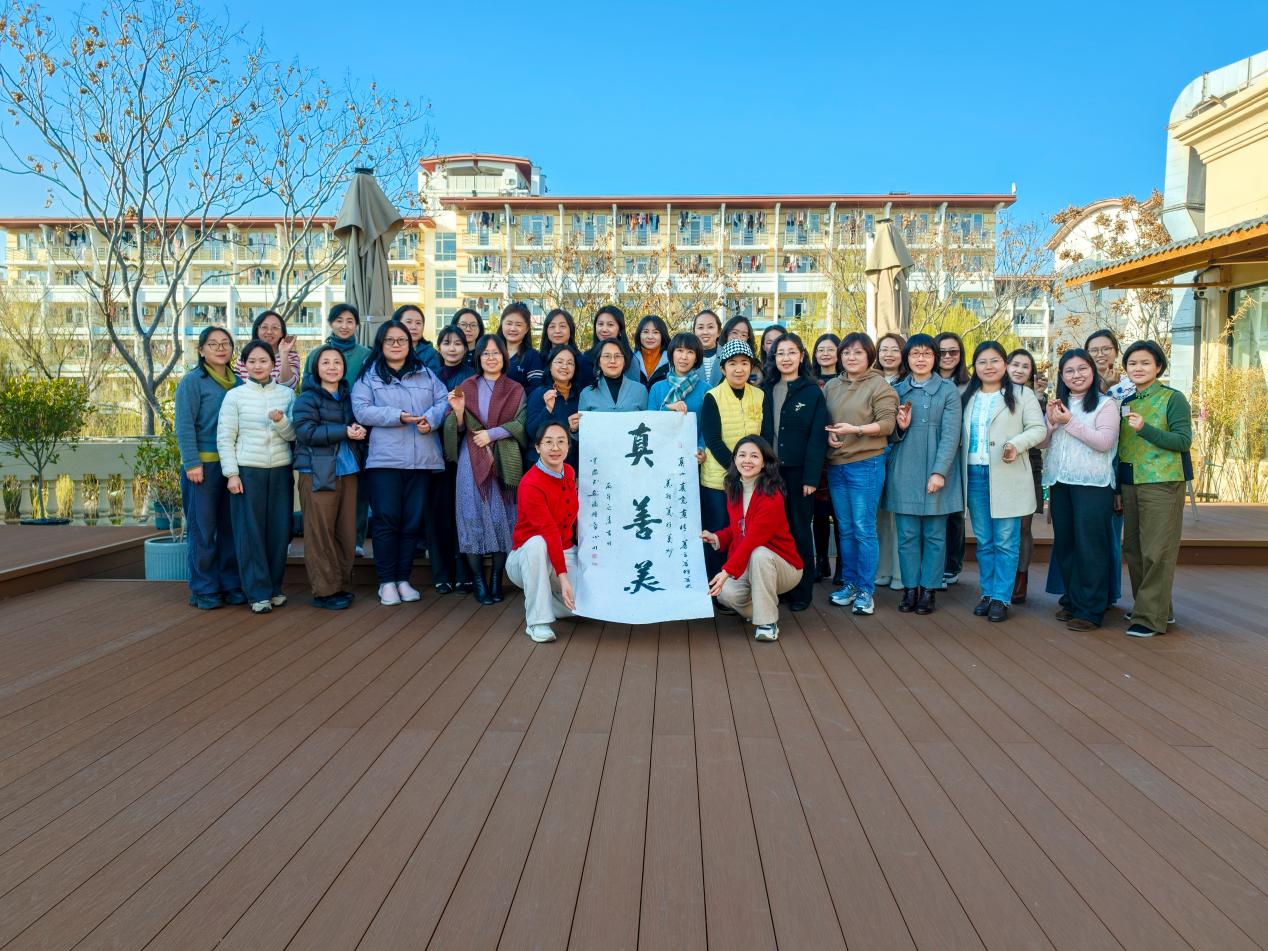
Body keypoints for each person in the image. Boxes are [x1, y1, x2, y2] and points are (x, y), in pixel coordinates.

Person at [351, 320, 451, 605]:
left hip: (422, 460)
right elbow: (361, 410)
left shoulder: (425, 373)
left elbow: (444, 401)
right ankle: (386, 581)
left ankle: (403, 579)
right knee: (386, 521)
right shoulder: (369, 376)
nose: (396, 345)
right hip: (385, 461)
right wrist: (397, 416)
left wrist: (431, 420)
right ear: (381, 344)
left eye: (402, 340)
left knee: (411, 523)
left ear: (410, 344)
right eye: (390, 340)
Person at [960, 341, 1047, 622]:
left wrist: (1016, 444)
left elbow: (1039, 429)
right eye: (982, 362)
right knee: (984, 540)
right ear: (975, 366)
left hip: (1007, 474)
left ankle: (1001, 597)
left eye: (995, 360)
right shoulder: (967, 395)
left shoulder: (1022, 394)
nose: (989, 366)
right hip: (974, 473)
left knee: (1006, 540)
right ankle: (987, 593)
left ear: (1005, 364)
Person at [443, 334, 528, 606]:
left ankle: (496, 580)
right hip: (471, 458)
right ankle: (479, 581)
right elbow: (455, 428)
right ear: (478, 358)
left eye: (496, 353)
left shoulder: (515, 388)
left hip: (504, 459)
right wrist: (458, 412)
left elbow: (521, 423)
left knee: (503, 519)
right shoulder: (466, 386)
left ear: (504, 356)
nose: (491, 358)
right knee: (472, 517)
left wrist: (492, 434)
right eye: (486, 353)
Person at [883, 334, 962, 615]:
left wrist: (939, 472)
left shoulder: (948, 391)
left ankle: (929, 589)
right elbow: (888, 434)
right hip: (905, 468)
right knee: (906, 534)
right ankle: (909, 588)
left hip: (937, 470)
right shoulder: (897, 391)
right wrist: (900, 427)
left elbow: (951, 435)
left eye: (927, 354)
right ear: (907, 358)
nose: (920, 359)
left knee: (934, 535)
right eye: (915, 353)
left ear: (935, 358)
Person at [1041, 348, 1119, 631]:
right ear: (1062, 376)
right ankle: (1073, 601)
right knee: (1067, 544)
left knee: (1091, 546)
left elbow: (1104, 443)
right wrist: (1050, 424)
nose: (1076, 375)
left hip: (1093, 485)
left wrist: (1069, 422)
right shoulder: (1058, 405)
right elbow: (1042, 443)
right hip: (1060, 482)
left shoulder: (1106, 405)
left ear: (1092, 371)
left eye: (1082, 368)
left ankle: (1091, 609)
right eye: (1069, 371)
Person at [1117, 340, 1191, 637]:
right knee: (1134, 549)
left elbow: (1183, 441)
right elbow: (1121, 447)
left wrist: (1145, 429)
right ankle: (1155, 608)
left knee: (1157, 550)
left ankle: (1149, 618)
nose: (1138, 368)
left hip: (1163, 481)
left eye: (1145, 363)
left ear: (1159, 366)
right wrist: (1118, 489)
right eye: (1133, 363)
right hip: (1130, 482)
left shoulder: (1172, 398)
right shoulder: (1125, 400)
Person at [217, 339, 296, 614]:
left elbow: (293, 436)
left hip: (280, 469)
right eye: (252, 361)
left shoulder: (287, 395)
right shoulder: (235, 396)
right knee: (250, 533)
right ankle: (258, 593)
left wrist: (280, 421)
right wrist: (231, 474)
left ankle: (274, 588)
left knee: (279, 531)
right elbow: (225, 438)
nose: (258, 366)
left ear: (273, 364)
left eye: (263, 361)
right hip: (247, 471)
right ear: (244, 365)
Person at [823, 332, 898, 616]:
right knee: (845, 528)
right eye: (846, 352)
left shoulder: (879, 385)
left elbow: (887, 424)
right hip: (837, 465)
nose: (851, 357)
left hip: (866, 464)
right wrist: (829, 435)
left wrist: (855, 430)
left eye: (858, 352)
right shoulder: (832, 385)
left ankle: (866, 591)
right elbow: (825, 421)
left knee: (864, 528)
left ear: (869, 356)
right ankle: (850, 584)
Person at [701, 435, 804, 641]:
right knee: (726, 594)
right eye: (742, 455)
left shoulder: (771, 494)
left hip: (784, 567)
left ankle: (767, 623)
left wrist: (726, 571)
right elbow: (737, 529)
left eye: (754, 456)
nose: (747, 460)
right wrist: (717, 538)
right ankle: (762, 609)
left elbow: (753, 539)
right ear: (735, 459)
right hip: (750, 563)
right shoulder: (735, 488)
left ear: (764, 462)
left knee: (759, 553)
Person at [292, 345, 367, 609]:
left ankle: (340, 585)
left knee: (346, 531)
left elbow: (356, 425)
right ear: (316, 367)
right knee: (320, 533)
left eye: (337, 362)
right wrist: (345, 431)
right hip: (317, 471)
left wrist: (358, 430)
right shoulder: (307, 398)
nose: (332, 367)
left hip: (348, 470)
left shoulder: (349, 397)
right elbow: (305, 432)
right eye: (326, 362)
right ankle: (325, 591)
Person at [175, 326, 243, 610]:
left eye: (225, 343)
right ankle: (204, 588)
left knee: (230, 528)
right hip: (202, 467)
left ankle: (230, 584)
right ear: (201, 350)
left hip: (233, 467)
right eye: (213, 344)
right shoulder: (193, 382)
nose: (220, 348)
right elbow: (184, 425)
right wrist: (192, 462)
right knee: (203, 529)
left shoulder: (239, 382)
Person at [760, 333, 827, 611]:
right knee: (774, 530)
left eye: (791, 352)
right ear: (773, 358)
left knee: (799, 530)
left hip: (799, 474)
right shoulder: (765, 389)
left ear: (801, 356)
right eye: (780, 353)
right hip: (770, 472)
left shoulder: (812, 392)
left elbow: (817, 438)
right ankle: (781, 586)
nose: (785, 358)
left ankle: (802, 591)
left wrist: (811, 477)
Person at [507, 421, 579, 643]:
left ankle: (551, 604)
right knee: (538, 542)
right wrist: (563, 578)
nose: (555, 448)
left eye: (561, 441)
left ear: (568, 447)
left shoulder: (568, 472)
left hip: (563, 550)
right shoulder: (530, 483)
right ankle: (537, 622)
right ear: (538, 447)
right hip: (527, 556)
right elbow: (549, 532)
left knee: (589, 600)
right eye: (548, 442)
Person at [699, 340, 764, 581]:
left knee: (744, 533)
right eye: (733, 364)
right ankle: (716, 589)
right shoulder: (712, 396)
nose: (739, 369)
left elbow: (764, 436)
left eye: (744, 363)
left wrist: (751, 470)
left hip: (751, 480)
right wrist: (737, 469)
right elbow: (713, 439)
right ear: (723, 368)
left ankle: (740, 586)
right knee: (718, 534)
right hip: (718, 481)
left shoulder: (759, 395)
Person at [433, 325, 477, 592]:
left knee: (464, 512)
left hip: (465, 452)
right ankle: (442, 573)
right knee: (439, 514)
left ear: (466, 347)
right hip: (434, 453)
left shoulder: (472, 377)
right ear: (439, 346)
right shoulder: (430, 375)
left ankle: (464, 572)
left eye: (458, 343)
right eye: (447, 343)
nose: (452, 348)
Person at [1006, 347, 1047, 603]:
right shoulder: (992, 394)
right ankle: (1003, 576)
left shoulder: (1037, 398)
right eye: (1015, 365)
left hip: (1028, 464)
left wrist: (1040, 397)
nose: (1019, 370)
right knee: (1002, 525)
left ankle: (1021, 576)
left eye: (1025, 366)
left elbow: (1041, 432)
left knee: (1023, 526)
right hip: (999, 465)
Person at [934, 331, 970, 587]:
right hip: (929, 451)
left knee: (955, 511)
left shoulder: (971, 385)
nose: (947, 356)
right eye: (942, 351)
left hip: (961, 454)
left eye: (953, 352)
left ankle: (952, 564)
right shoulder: (926, 381)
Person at [874, 332, 907, 590]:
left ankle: (899, 572)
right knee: (878, 515)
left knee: (898, 515)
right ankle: (882, 569)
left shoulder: (910, 382)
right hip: (873, 453)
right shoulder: (870, 379)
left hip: (901, 452)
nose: (888, 354)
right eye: (884, 349)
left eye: (894, 349)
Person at [810, 333, 840, 581]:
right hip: (816, 453)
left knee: (840, 513)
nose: (826, 353)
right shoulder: (808, 380)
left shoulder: (845, 380)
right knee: (819, 511)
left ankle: (842, 564)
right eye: (821, 349)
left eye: (831, 349)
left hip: (840, 452)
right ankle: (821, 560)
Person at [526, 343, 582, 469]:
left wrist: (574, 430)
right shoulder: (539, 394)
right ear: (550, 366)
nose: (564, 366)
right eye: (559, 362)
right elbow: (531, 432)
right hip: (540, 464)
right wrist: (547, 409)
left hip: (568, 465)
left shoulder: (579, 397)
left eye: (570, 363)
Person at [303, 303, 371, 383]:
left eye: (349, 322)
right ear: (330, 324)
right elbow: (307, 386)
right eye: (339, 321)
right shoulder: (315, 354)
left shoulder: (366, 355)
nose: (344, 326)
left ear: (356, 325)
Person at [578, 339, 647, 412]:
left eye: (617, 356)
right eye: (607, 356)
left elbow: (647, 418)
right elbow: (583, 419)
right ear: (599, 362)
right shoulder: (587, 393)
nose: (612, 361)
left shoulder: (640, 391)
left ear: (624, 361)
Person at [235, 310, 300, 387]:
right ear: (257, 330)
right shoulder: (244, 357)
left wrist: (284, 354)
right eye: (264, 327)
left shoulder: (291, 356)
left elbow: (289, 385)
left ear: (282, 333)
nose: (269, 332)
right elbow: (237, 387)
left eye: (275, 328)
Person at [539, 307, 592, 388]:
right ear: (546, 331)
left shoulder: (583, 362)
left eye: (562, 326)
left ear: (571, 330)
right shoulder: (538, 360)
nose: (557, 331)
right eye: (552, 327)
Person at [498, 301, 545, 390]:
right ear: (502, 325)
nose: (513, 328)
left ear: (526, 329)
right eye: (509, 323)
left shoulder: (532, 356)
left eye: (518, 325)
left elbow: (537, 389)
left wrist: (514, 395)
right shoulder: (492, 352)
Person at [581, 304, 628, 386]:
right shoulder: (586, 359)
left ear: (620, 329)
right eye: (600, 324)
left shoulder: (630, 359)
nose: (604, 329)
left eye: (610, 325)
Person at [628, 314, 671, 388]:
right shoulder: (630, 360)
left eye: (655, 332)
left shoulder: (672, 362)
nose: (650, 337)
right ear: (639, 334)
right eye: (645, 332)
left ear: (662, 335)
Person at [395, 304, 441, 372]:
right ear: (396, 324)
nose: (414, 327)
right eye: (409, 322)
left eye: (418, 323)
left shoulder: (430, 354)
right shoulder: (387, 350)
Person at [722, 315, 761, 384]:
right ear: (726, 334)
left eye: (744, 335)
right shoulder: (717, 358)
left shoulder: (754, 367)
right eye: (734, 332)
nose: (739, 338)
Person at [694, 309, 723, 387]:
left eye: (710, 327)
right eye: (700, 327)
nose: (705, 332)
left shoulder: (728, 355)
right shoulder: (686, 357)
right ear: (694, 332)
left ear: (719, 332)